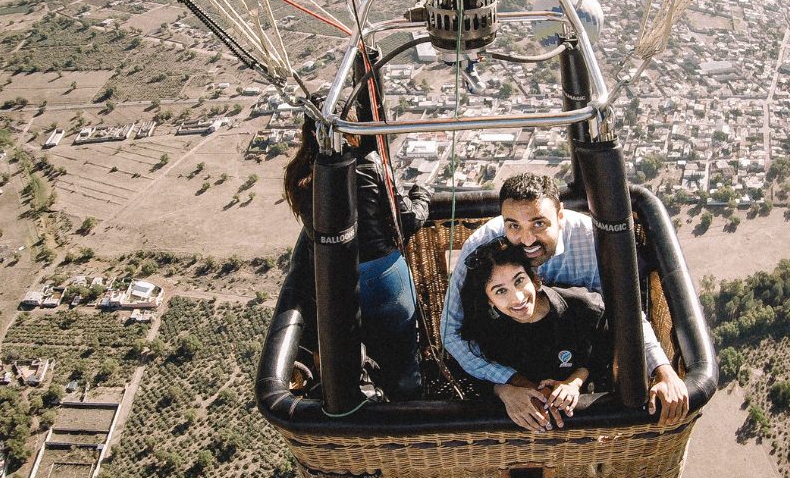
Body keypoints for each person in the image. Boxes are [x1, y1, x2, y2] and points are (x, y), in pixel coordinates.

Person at [442, 173, 690, 425]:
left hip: (576, 360)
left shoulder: (595, 242)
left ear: (560, 216)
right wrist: (510, 384)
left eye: (538, 223)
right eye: (514, 226)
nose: (526, 240)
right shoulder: (483, 250)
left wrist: (662, 370)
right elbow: (452, 333)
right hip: (515, 359)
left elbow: (625, 313)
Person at [284, 117, 432, 400]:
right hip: (384, 275)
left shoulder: (299, 173)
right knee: (403, 354)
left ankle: (370, 413)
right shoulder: (369, 162)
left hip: (330, 277)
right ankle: (410, 413)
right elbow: (407, 220)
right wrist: (422, 195)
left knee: (352, 355)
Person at [459, 238, 607, 431]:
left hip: (582, 421)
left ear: (535, 279)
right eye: (501, 291)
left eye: (519, 280)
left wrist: (573, 383)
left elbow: (603, 355)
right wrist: (505, 391)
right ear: (489, 301)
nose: (518, 298)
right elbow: (475, 376)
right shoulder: (488, 329)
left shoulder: (585, 308)